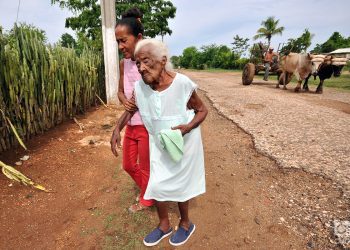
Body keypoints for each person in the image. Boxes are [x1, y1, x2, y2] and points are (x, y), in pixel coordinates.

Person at [110, 39, 208, 247]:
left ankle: (185, 223)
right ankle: (164, 225)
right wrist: (117, 129)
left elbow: (202, 110)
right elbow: (130, 110)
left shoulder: (182, 84)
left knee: (182, 185)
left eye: (146, 61)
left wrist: (188, 127)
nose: (141, 68)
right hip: (158, 143)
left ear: (162, 61)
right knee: (157, 183)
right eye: (137, 63)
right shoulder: (140, 87)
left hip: (183, 143)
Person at [114, 7, 154, 212]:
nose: (120, 46)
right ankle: (151, 192)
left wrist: (116, 127)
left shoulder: (147, 63)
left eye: (123, 40)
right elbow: (120, 91)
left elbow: (140, 100)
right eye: (118, 41)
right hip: (131, 124)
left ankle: (147, 198)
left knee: (146, 167)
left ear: (138, 37)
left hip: (146, 126)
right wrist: (124, 101)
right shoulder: (123, 64)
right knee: (128, 165)